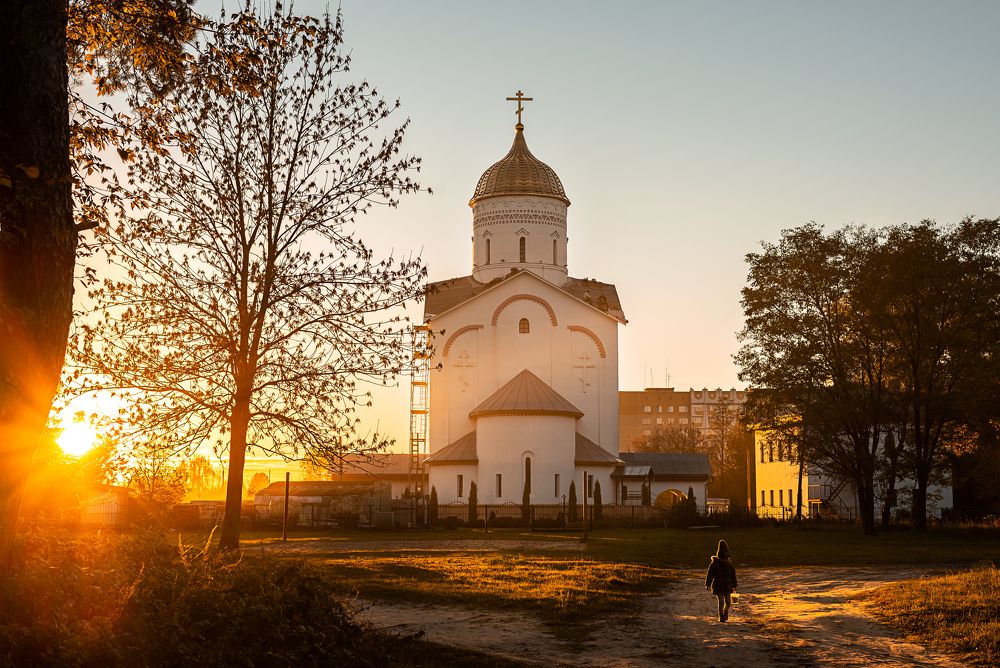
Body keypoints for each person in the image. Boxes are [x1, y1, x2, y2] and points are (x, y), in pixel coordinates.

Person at [705, 539, 737, 622]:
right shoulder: (714, 564)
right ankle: (721, 615)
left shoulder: (730, 564)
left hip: (728, 585)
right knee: (721, 601)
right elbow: (710, 574)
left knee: (728, 602)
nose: (725, 559)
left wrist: (735, 585)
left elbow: (733, 575)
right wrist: (708, 584)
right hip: (718, 585)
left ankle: (725, 611)